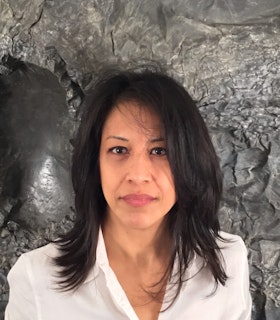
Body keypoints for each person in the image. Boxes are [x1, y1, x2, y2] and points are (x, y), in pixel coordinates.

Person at [5, 68, 252, 320]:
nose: (138, 174)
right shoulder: (36, 279)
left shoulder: (228, 261)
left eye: (160, 151)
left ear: (189, 160)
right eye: (119, 149)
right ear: (95, 162)